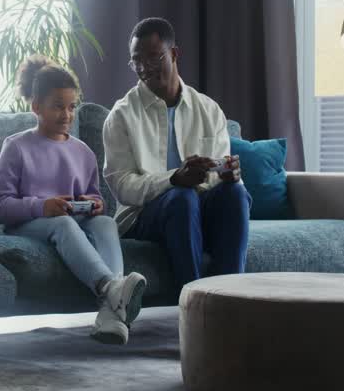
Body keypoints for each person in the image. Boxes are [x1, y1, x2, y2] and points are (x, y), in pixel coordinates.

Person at [0, 55, 148, 345]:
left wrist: (93, 203)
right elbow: (0, 205)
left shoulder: (84, 152)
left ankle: (110, 316)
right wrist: (42, 206)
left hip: (72, 220)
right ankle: (110, 287)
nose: (67, 115)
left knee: (104, 222)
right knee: (62, 222)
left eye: (72, 106)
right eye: (57, 107)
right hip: (28, 225)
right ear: (36, 107)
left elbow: (94, 195)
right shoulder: (16, 147)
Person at [102, 17, 250, 286]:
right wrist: (173, 179)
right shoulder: (121, 115)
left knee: (236, 194)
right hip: (144, 216)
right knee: (181, 197)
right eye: (136, 61)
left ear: (174, 54)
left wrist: (227, 173)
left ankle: (228, 299)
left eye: (153, 58)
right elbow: (123, 186)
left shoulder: (208, 109)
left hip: (199, 205)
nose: (144, 68)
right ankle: (191, 301)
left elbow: (217, 173)